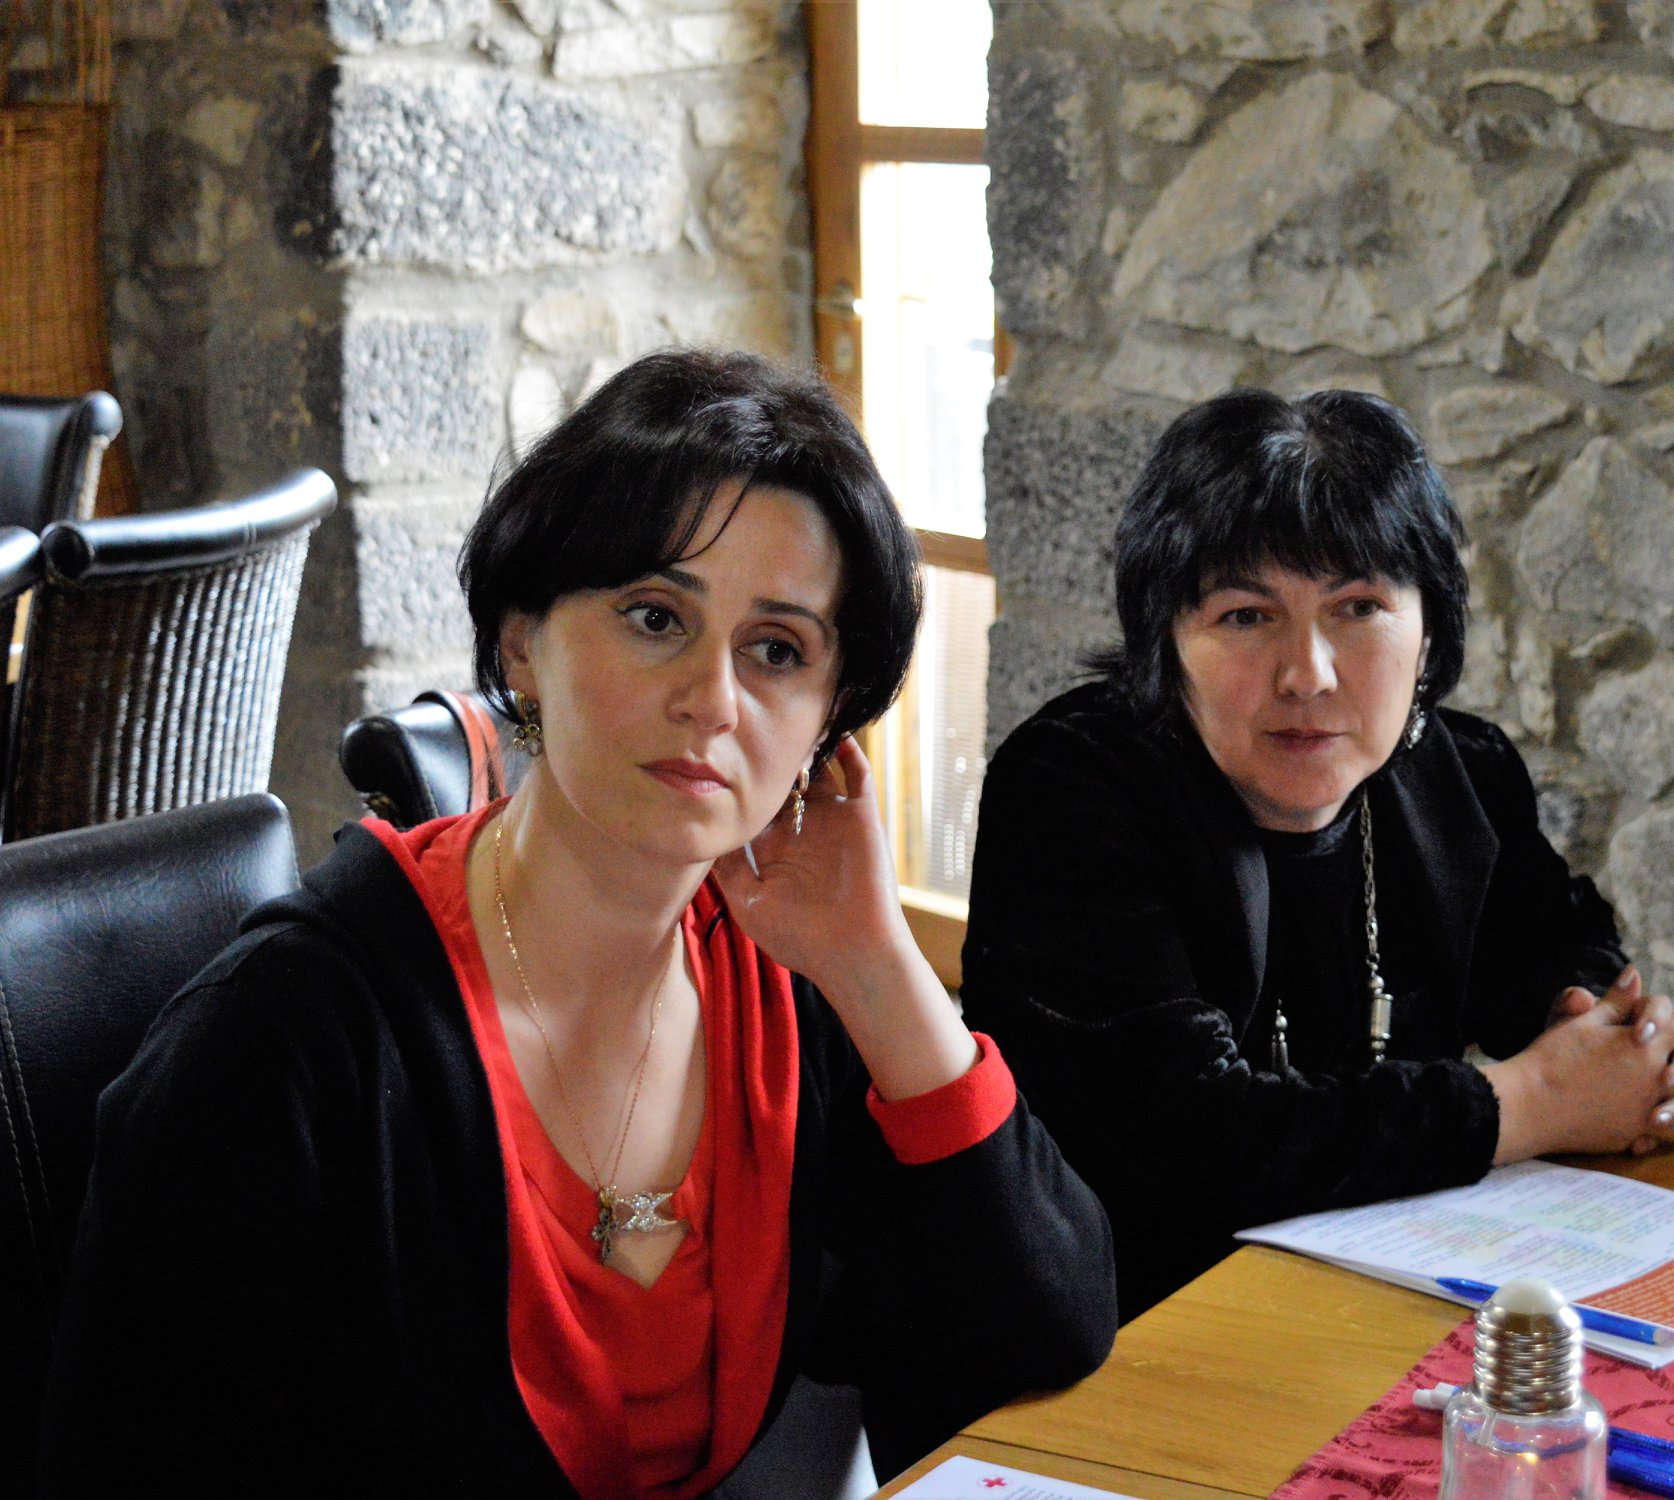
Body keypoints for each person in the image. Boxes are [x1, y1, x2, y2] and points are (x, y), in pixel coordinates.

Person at [40, 350, 1116, 1494]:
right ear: (521, 645)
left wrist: (877, 965)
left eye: (777, 651)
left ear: (826, 723)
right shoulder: (282, 1044)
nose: (712, 700)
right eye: (655, 617)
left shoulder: (788, 985)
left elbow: (1049, 1322)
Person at [959, 388, 1674, 1322]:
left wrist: (1611, 1040)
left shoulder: (1460, 773)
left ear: (1428, 630)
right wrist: (1533, 1099)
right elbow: (1178, 1145)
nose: (1308, 674)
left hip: (1374, 1307)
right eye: (1246, 615)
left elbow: (1558, 945)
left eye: (1358, 607)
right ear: (1166, 639)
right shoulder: (1072, 788)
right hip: (1132, 1335)